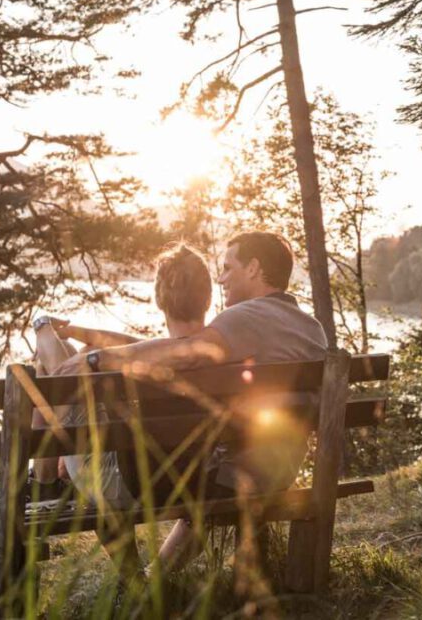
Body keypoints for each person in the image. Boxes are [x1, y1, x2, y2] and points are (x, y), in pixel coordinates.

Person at [54, 231, 327, 574]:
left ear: (254, 268)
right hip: (273, 474)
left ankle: (44, 481)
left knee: (73, 394)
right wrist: (96, 343)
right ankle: (152, 580)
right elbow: (177, 347)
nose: (223, 278)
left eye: (228, 268)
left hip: (224, 479)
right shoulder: (310, 328)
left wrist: (95, 360)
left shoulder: (247, 317)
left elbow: (185, 353)